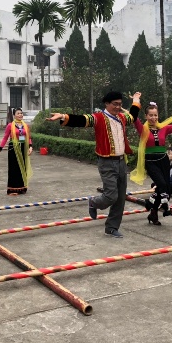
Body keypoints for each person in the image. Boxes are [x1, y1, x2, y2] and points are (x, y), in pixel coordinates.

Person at [47, 91, 141, 238]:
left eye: (120, 104)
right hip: (106, 163)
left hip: (121, 162)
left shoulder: (122, 118)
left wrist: (136, 100)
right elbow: (81, 120)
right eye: (115, 104)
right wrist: (63, 116)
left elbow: (133, 116)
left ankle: (112, 227)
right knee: (111, 196)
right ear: (107, 104)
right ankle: (94, 203)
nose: (118, 107)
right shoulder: (98, 118)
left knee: (121, 198)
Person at [133, 101, 172, 225]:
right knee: (161, 184)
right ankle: (152, 203)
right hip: (150, 161)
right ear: (146, 116)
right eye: (151, 115)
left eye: (155, 115)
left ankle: (153, 213)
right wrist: (136, 102)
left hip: (163, 161)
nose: (153, 118)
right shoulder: (143, 129)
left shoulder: (164, 128)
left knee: (165, 187)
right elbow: (134, 118)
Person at [0, 107, 33, 195]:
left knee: (22, 167)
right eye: (18, 113)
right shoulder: (10, 125)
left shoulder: (25, 125)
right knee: (14, 168)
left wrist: (30, 147)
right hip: (13, 149)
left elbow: (29, 137)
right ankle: (13, 189)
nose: (20, 115)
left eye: (21, 113)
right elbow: (5, 138)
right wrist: (0, 148)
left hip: (23, 148)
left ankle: (22, 187)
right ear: (14, 115)